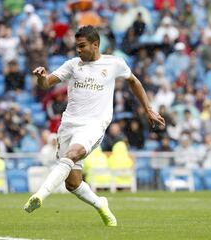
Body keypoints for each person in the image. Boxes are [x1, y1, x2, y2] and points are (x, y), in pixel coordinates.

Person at [23, 25, 165, 226]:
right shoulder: (73, 65)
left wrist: (148, 109)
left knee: (72, 154)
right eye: (76, 46)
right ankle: (100, 204)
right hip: (68, 125)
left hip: (94, 125)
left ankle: (39, 196)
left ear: (95, 44)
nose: (78, 50)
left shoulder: (114, 63)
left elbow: (134, 81)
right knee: (72, 183)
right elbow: (47, 84)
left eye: (82, 46)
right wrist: (40, 78)